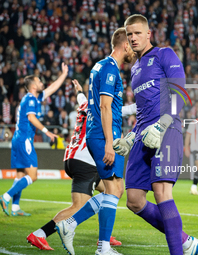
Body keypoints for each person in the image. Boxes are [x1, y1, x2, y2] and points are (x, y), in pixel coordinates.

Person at [115, 14, 198, 255]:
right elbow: (142, 112)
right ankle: (184, 240)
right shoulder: (134, 69)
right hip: (144, 135)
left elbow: (181, 92)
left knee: (162, 191)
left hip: (167, 130)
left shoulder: (165, 55)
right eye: (129, 34)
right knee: (133, 199)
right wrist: (131, 136)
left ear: (148, 34)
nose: (132, 38)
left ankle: (178, 251)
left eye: (136, 33)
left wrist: (163, 124)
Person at [55, 28, 135, 255]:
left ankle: (73, 227)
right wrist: (110, 142)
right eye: (131, 44)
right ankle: (100, 246)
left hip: (100, 133)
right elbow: (104, 106)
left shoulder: (100, 66)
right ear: (124, 45)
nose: (133, 50)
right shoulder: (110, 69)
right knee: (113, 189)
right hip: (103, 135)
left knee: (116, 189)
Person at [26, 79, 129, 250]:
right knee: (79, 207)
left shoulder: (88, 103)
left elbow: (82, 98)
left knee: (115, 190)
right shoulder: (102, 107)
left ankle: (105, 235)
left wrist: (79, 91)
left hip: (76, 156)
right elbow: (126, 110)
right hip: (85, 160)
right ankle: (40, 234)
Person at [0, 63, 68, 216]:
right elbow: (31, 117)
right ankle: (6, 197)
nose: (42, 83)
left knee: (21, 175)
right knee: (33, 175)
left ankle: (15, 208)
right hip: (24, 140)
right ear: (33, 86)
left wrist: (63, 74)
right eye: (39, 81)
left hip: (18, 139)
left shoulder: (34, 97)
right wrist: (47, 132)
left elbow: (52, 88)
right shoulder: (30, 99)